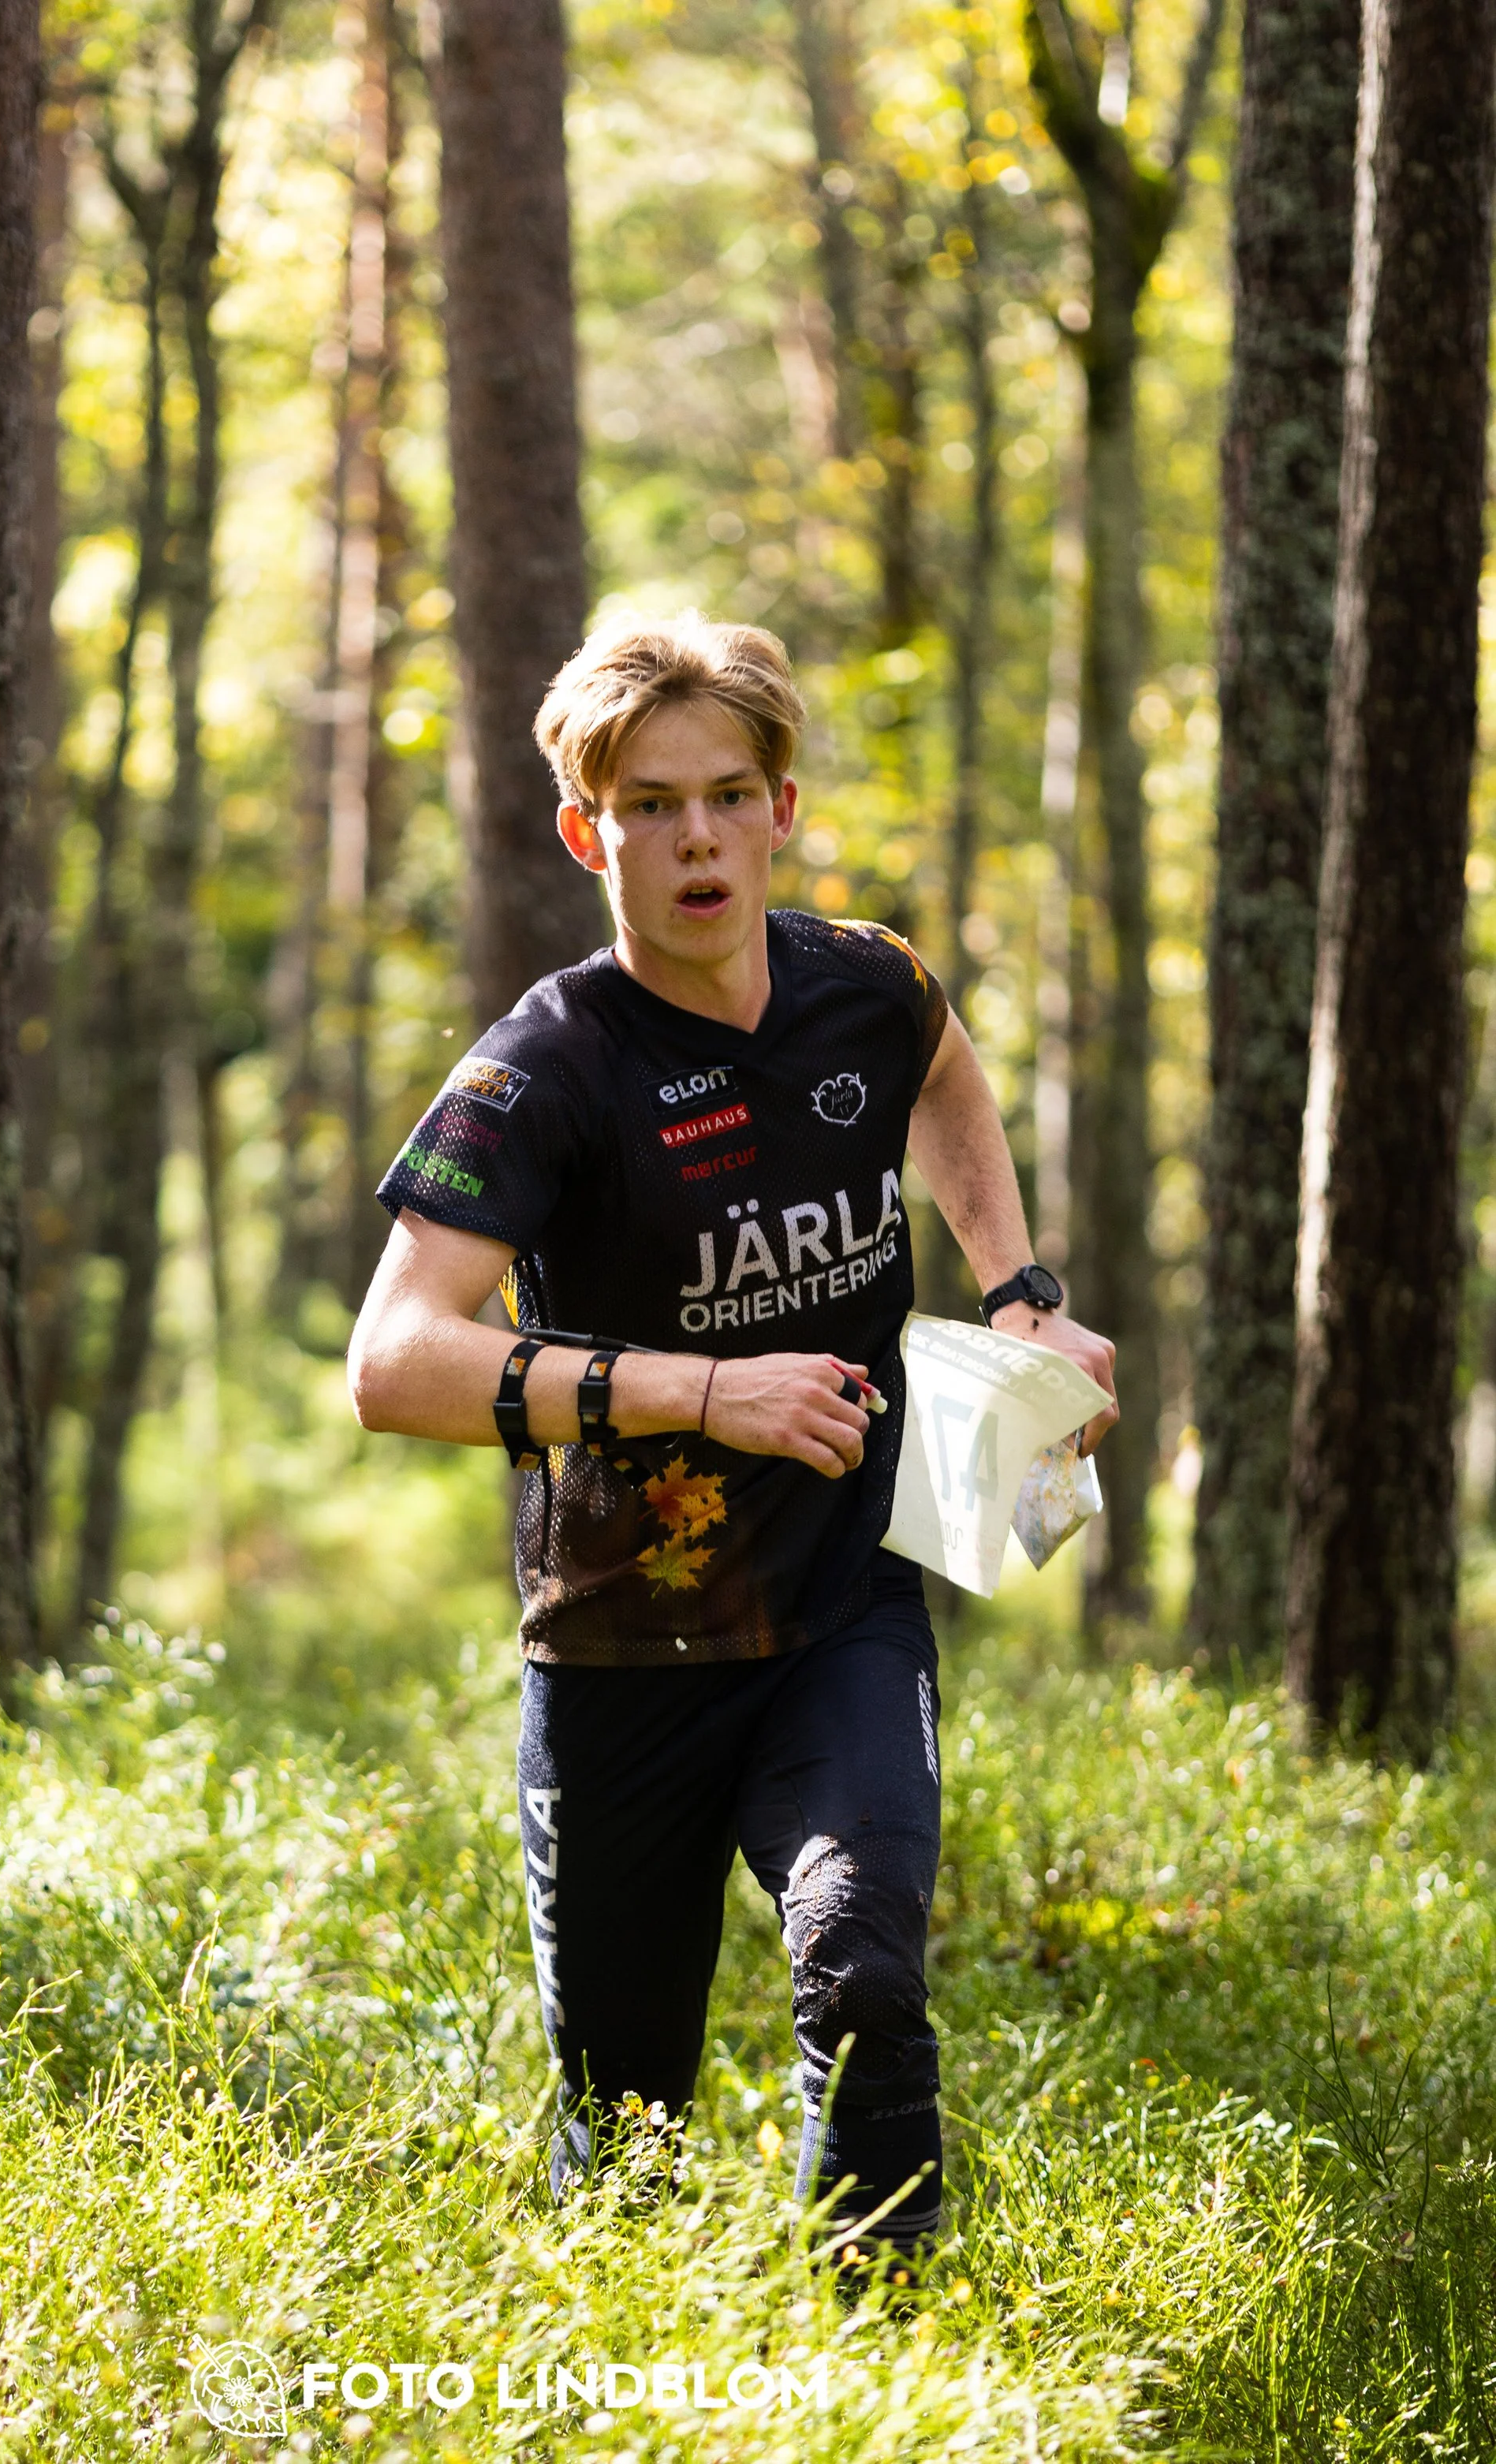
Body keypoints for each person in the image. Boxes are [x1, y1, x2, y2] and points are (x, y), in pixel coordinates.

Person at [346, 613, 1116, 2253]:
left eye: (722, 795)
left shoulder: (866, 986)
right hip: (619, 1649)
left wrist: (1019, 1290)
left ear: (779, 807)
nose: (690, 836)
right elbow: (392, 1362)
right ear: (586, 829)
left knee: (864, 1961)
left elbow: (943, 1074)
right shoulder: (540, 1069)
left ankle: (881, 2352)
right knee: (622, 2124)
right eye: (646, 804)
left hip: (838, 1609)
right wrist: (701, 1385)